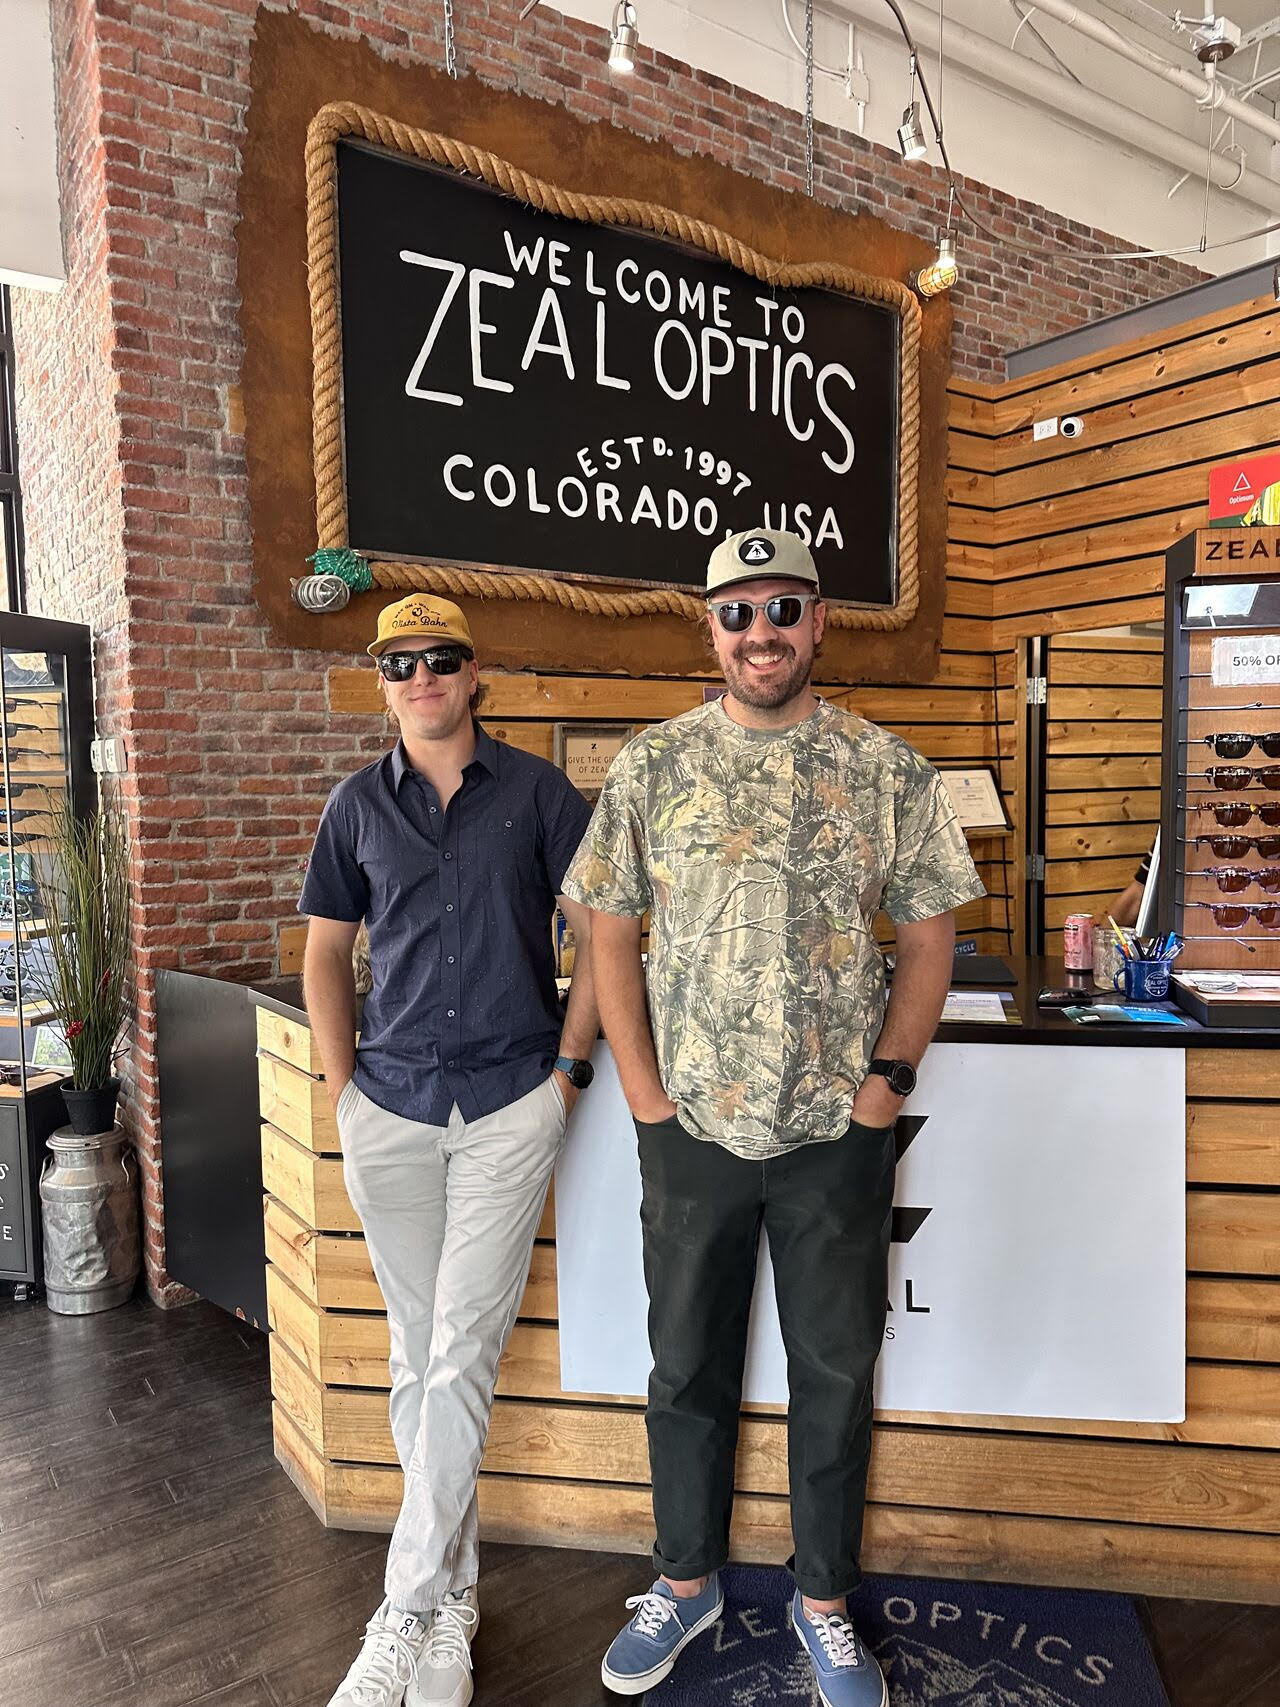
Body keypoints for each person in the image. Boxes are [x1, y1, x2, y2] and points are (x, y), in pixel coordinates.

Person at [563, 530, 985, 1707]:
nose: (761, 633)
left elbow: (929, 937)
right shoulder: (652, 765)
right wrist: (642, 1094)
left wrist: (883, 1087)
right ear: (709, 629)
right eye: (737, 612)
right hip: (690, 1128)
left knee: (835, 1372)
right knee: (683, 1366)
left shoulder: (885, 768)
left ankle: (822, 1601)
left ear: (818, 621)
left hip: (833, 1139)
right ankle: (684, 1581)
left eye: (783, 609)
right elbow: (607, 930)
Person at [300, 594, 599, 1707]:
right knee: (415, 1356)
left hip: (511, 1105)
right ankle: (454, 1598)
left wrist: (569, 1073)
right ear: (381, 683)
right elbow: (326, 953)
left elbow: (601, 933)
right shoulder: (354, 807)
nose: (419, 676)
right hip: (391, 1106)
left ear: (474, 674)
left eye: (440, 658)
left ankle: (404, 1609)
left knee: (459, 1351)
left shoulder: (540, 794)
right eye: (399, 662)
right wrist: (343, 1091)